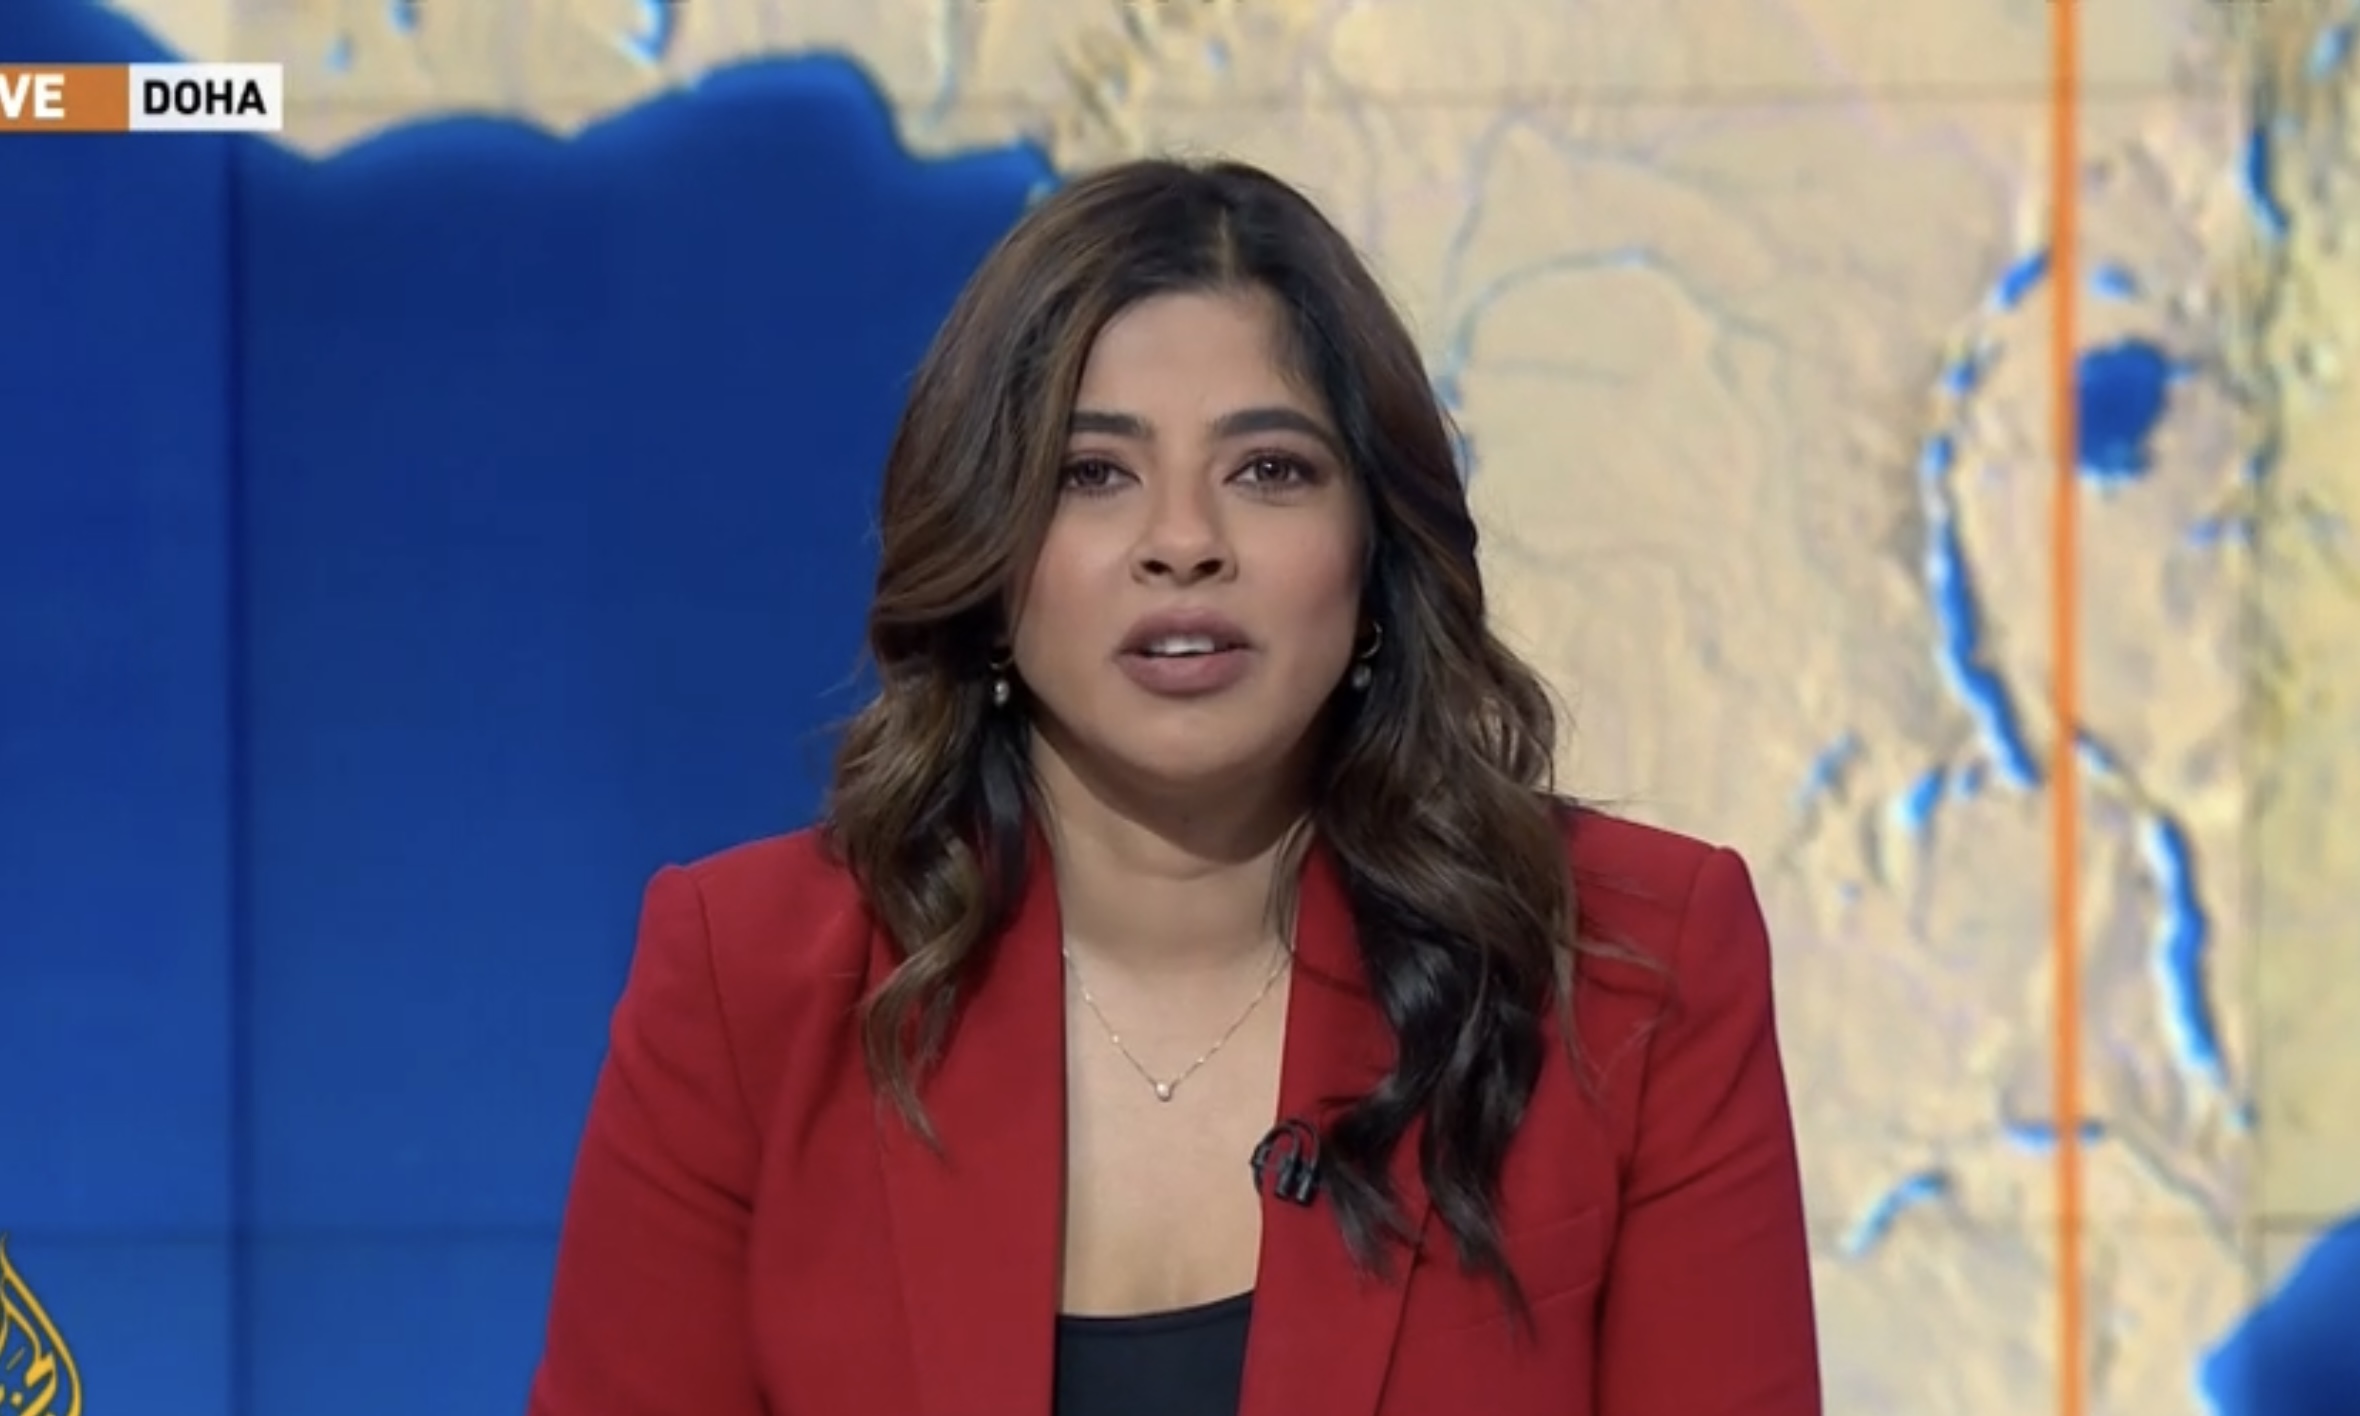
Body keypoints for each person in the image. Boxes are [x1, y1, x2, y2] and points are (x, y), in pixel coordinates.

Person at [526, 157, 1821, 1416]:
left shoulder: (1632, 964)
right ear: (987, 553)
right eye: (1093, 474)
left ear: (1374, 550)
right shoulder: (748, 982)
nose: (1186, 543)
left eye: (1270, 471)